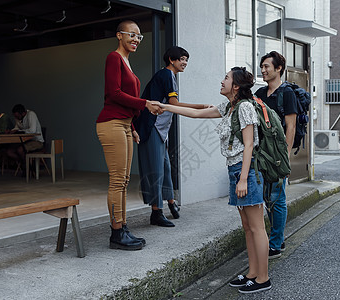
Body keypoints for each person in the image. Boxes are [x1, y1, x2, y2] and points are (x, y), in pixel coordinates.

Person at [156, 67, 271, 294]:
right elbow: (198, 114)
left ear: (236, 86)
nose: (222, 81)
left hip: (246, 171)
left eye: (226, 78)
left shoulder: (245, 107)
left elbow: (249, 145)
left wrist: (244, 179)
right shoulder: (230, 107)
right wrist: (165, 107)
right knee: (247, 227)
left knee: (257, 227)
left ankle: (263, 278)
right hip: (235, 170)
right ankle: (252, 273)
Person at [96, 20, 162, 251]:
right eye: (131, 35)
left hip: (124, 124)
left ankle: (122, 227)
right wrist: (145, 103)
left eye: (139, 36)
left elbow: (127, 101)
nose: (136, 39)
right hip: (111, 123)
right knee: (117, 180)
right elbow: (114, 93)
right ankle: (116, 233)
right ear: (119, 36)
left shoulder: (127, 61)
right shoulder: (114, 58)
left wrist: (132, 126)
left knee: (124, 180)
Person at [134, 46, 208, 227]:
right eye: (182, 59)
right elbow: (174, 103)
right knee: (156, 170)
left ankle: (171, 203)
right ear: (171, 60)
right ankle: (156, 212)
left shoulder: (169, 76)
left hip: (160, 130)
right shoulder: (166, 75)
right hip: (151, 128)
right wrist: (201, 107)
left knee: (165, 167)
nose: (184, 63)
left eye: (186, 60)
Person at [254, 51, 298, 259]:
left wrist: (286, 155)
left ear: (278, 68)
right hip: (263, 153)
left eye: (266, 66)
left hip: (278, 154)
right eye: (261, 67)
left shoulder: (287, 93)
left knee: (277, 198)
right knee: (266, 197)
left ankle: (276, 243)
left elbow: (291, 126)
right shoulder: (261, 93)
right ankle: (275, 239)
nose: (263, 70)